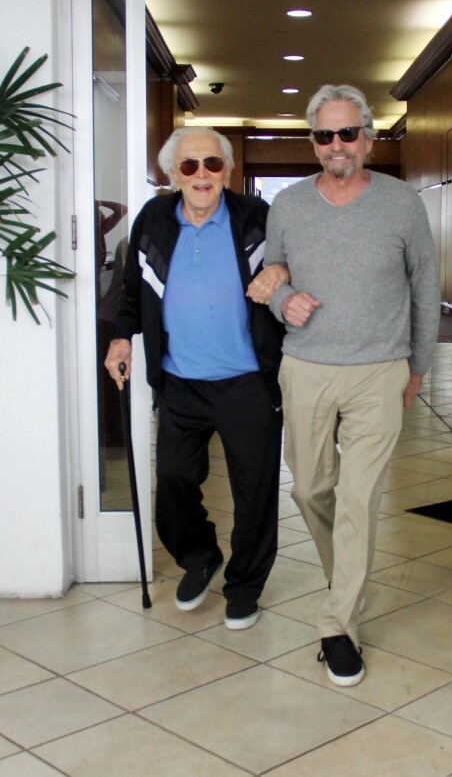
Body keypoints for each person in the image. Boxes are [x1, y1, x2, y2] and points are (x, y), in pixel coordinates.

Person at [248, 84, 440, 684]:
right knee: (309, 489)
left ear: (368, 137)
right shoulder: (290, 205)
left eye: (348, 133)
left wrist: (418, 366)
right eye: (325, 135)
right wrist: (284, 301)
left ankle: (338, 627)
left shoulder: (403, 203)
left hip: (380, 369)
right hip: (305, 367)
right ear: (313, 142)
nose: (337, 145)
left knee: (358, 499)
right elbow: (267, 273)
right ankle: (347, 576)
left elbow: (425, 286)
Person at [105, 126, 287, 630]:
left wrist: (284, 270)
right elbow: (132, 291)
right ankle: (199, 555)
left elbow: (292, 266)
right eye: (189, 166)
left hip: (247, 381)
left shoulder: (256, 218)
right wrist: (123, 337)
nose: (201, 175)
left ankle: (245, 585)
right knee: (173, 480)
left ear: (228, 170)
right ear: (173, 175)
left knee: (255, 491)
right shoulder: (153, 220)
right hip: (180, 381)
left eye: (212, 164)